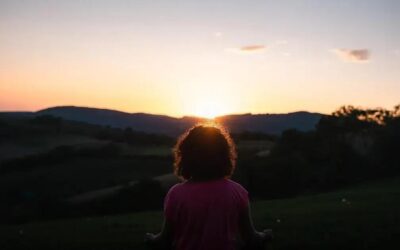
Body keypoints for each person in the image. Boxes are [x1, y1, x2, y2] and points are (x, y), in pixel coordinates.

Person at [145, 124, 272, 250]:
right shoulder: (237, 192)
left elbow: (165, 239)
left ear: (186, 157)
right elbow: (250, 238)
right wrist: (264, 236)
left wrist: (151, 239)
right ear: (225, 156)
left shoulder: (176, 194)